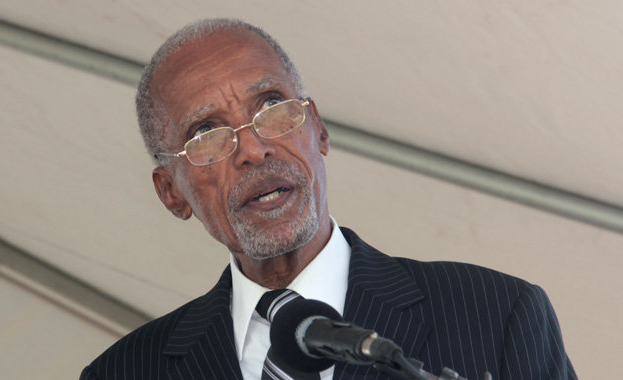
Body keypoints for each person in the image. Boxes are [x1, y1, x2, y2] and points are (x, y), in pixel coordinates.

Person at [80, 18, 577, 380]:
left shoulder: (496, 314)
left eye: (272, 107)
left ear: (317, 129)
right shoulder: (124, 372)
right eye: (206, 133)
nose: (253, 149)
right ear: (172, 193)